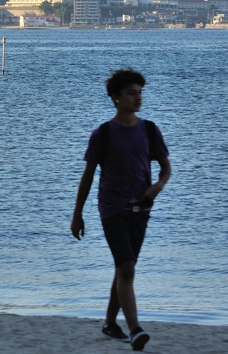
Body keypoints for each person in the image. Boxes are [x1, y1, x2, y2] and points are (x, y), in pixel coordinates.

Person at [71, 69, 171, 352]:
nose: (138, 98)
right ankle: (135, 329)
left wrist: (157, 187)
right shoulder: (102, 134)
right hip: (112, 207)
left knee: (124, 268)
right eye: (131, 93)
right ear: (115, 98)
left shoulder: (149, 130)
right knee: (126, 267)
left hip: (142, 208)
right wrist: (77, 214)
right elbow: (88, 175)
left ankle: (109, 323)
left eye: (140, 92)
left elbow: (166, 168)